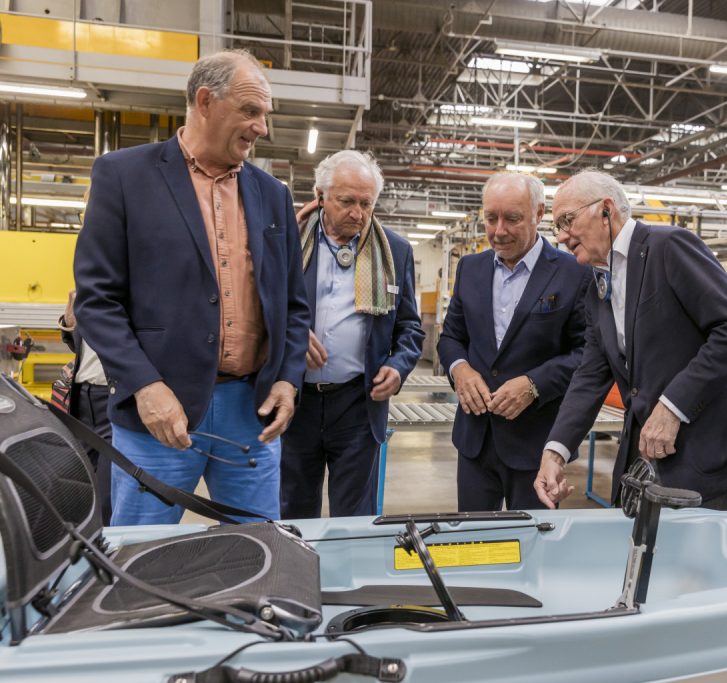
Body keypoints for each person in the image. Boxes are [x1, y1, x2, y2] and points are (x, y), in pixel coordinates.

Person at [73, 49, 310, 525]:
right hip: (159, 413)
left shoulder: (273, 195)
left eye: (264, 114)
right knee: (141, 549)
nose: (261, 127)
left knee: (260, 546)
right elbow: (96, 299)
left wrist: (287, 379)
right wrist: (145, 386)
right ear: (205, 101)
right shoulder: (124, 176)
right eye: (250, 110)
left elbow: (294, 305)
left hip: (251, 412)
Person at [534, 171, 727, 510]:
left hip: (700, 457)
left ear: (606, 210)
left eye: (567, 221)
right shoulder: (598, 283)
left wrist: (672, 406)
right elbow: (590, 374)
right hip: (642, 458)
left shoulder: (668, 247)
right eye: (557, 227)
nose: (562, 236)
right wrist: (555, 452)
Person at [280, 151, 423, 518]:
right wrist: (291, 334)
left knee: (355, 516)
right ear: (320, 196)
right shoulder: (288, 242)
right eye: (346, 201)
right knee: (293, 511)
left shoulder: (395, 252)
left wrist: (398, 366)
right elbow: (260, 307)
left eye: (366, 203)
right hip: (295, 401)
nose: (358, 213)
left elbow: (410, 327)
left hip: (358, 404)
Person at [437, 172, 590, 511]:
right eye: (491, 218)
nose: (499, 230)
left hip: (537, 445)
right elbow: (451, 337)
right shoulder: (470, 268)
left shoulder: (574, 272)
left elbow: (587, 353)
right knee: (474, 538)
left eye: (512, 218)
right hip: (475, 441)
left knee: (532, 538)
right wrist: (460, 369)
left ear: (539, 214)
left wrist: (535, 384)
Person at [58, 289, 113, 525]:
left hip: (112, 399)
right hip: (82, 398)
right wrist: (70, 323)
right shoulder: (90, 287)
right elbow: (85, 350)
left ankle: (107, 547)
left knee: (107, 498)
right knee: (78, 491)